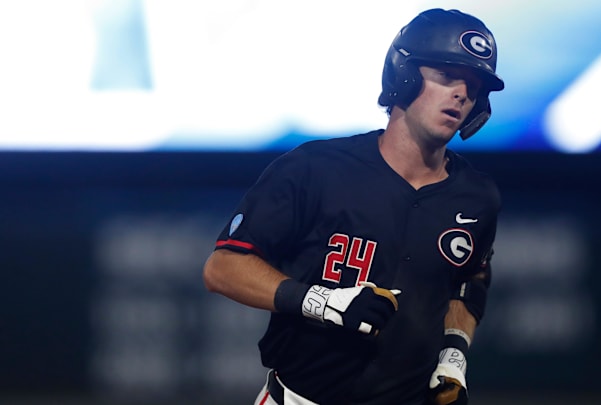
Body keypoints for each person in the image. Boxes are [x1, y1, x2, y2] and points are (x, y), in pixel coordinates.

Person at [203, 8, 504, 405]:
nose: (462, 94)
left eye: (474, 85)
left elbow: (467, 284)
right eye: (447, 76)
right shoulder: (315, 169)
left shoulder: (477, 197)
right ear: (405, 75)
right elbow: (222, 268)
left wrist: (453, 354)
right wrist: (319, 301)